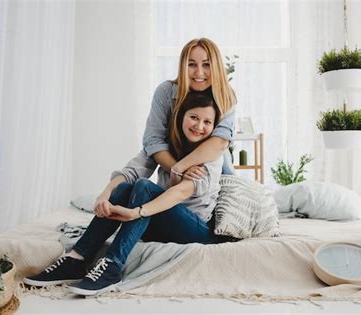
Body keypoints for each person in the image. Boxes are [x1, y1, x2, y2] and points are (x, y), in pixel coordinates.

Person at [23, 92, 225, 296]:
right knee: (124, 188)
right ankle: (77, 258)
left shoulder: (212, 154)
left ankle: (111, 265)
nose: (199, 126)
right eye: (194, 117)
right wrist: (104, 195)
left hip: (196, 229)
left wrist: (138, 212)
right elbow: (131, 172)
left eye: (207, 122)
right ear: (181, 116)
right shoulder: (164, 146)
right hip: (162, 220)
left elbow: (180, 192)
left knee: (144, 187)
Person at [142, 37, 236, 184]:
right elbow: (153, 140)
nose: (199, 73)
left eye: (206, 65)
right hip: (173, 181)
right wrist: (177, 170)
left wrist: (181, 168)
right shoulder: (165, 92)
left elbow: (220, 141)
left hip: (218, 180)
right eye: (191, 64)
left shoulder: (225, 95)